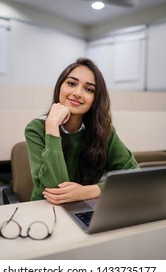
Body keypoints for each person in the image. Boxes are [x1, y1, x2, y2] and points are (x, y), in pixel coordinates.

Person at [25, 57, 139, 205]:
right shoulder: (36, 129)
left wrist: (90, 191)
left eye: (89, 89)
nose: (78, 93)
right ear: (60, 87)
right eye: (71, 83)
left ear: (94, 100)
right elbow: (56, 189)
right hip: (45, 209)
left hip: (87, 205)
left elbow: (134, 174)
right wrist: (52, 126)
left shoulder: (104, 131)